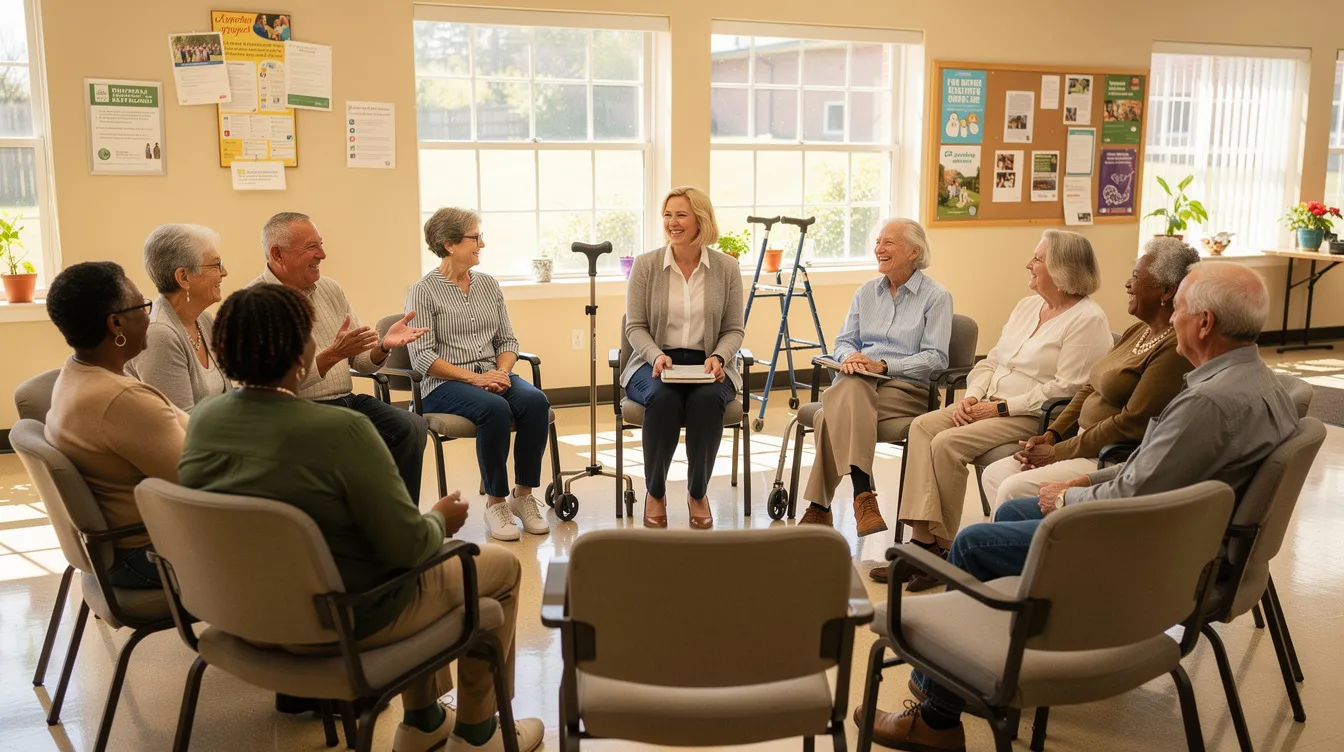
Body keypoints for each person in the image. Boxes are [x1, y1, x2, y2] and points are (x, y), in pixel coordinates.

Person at [859, 263, 1299, 752]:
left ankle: (937, 718)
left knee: (973, 542)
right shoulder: (1262, 384)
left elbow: (1138, 493)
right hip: (1182, 544)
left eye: (1178, 309)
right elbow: (1159, 471)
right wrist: (1087, 477)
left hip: (1150, 559)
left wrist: (1071, 496)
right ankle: (992, 664)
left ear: (1205, 323)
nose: (1172, 320)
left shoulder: (1208, 404)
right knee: (1011, 514)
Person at [180, 285, 543, 752]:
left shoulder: (204, 419)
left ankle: (426, 721)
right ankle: (476, 732)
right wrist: (437, 519)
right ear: (302, 352)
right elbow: (410, 548)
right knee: (499, 568)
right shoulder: (342, 430)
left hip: (236, 613)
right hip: (342, 620)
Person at [886, 229, 1112, 590]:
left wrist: (1001, 408)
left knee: (947, 444)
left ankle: (942, 550)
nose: (1029, 264)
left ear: (1062, 268)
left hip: (1034, 415)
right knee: (923, 426)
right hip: (988, 402)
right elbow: (992, 360)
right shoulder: (1026, 307)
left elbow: (1068, 388)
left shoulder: (1088, 319)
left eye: (1038, 259)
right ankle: (922, 541)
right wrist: (972, 396)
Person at [978, 237, 1199, 505]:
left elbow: (1130, 424)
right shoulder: (1138, 331)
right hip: (1079, 443)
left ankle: (1038, 542)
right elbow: (1089, 386)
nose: (1128, 284)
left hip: (1109, 457)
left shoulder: (1172, 348)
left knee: (1011, 487)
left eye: (1137, 277)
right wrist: (1052, 434)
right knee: (995, 474)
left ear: (1166, 292)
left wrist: (1057, 451)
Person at [253, 212, 430, 501]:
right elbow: (271, 384)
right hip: (295, 411)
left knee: (410, 426)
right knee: (350, 443)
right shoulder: (256, 302)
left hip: (346, 402)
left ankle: (400, 519)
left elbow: (359, 361)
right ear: (277, 253)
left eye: (320, 244)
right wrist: (331, 355)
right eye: (312, 247)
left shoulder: (330, 289)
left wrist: (383, 346)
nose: (322, 254)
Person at [799, 219, 952, 537]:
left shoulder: (936, 297)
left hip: (907, 390)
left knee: (831, 413)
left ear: (914, 251)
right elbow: (842, 342)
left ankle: (821, 506)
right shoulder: (866, 292)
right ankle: (862, 497)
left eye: (888, 243)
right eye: (878, 241)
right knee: (851, 387)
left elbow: (936, 359)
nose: (879, 249)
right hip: (860, 382)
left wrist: (883, 365)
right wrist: (849, 358)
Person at [407, 207, 552, 542]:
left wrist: (501, 372)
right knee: (495, 409)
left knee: (535, 403)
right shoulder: (423, 290)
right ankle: (496, 501)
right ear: (449, 244)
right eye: (475, 237)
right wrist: (477, 380)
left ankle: (523, 495)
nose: (482, 243)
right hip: (442, 383)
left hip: (491, 374)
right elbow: (422, 355)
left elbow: (507, 340)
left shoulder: (488, 285)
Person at [43, 262, 188, 589]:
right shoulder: (120, 400)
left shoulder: (77, 372)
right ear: (116, 323)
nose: (149, 317)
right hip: (151, 556)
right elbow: (199, 481)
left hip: (128, 547)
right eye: (142, 306)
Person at [623, 186, 744, 530]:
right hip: (654, 361)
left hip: (710, 363)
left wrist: (720, 357)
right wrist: (656, 355)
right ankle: (656, 492)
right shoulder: (646, 266)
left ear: (700, 220)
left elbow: (735, 328)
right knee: (661, 399)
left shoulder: (725, 268)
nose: (672, 223)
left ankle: (697, 493)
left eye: (681, 215)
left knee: (707, 402)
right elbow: (635, 326)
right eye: (667, 215)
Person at [126, 224, 230, 412]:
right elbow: (180, 424)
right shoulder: (158, 334)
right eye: (216, 265)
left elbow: (227, 398)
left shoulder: (204, 321)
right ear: (183, 277)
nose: (224, 272)